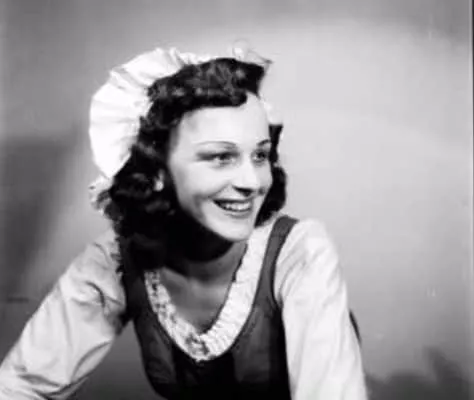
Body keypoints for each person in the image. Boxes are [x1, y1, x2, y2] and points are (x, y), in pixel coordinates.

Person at [0, 45, 368, 399]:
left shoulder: (300, 252)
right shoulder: (114, 261)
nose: (253, 181)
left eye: (260, 156)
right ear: (157, 169)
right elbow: (20, 387)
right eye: (221, 157)